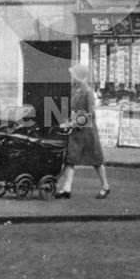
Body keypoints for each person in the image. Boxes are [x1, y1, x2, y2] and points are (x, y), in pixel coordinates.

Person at [55, 62, 110, 199]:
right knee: (70, 159)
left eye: (73, 74)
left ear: (78, 76)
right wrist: (68, 122)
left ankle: (105, 186)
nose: (71, 77)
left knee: (96, 160)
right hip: (76, 131)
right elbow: (74, 110)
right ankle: (66, 188)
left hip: (87, 132)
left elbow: (89, 115)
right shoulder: (75, 89)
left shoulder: (87, 91)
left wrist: (71, 124)